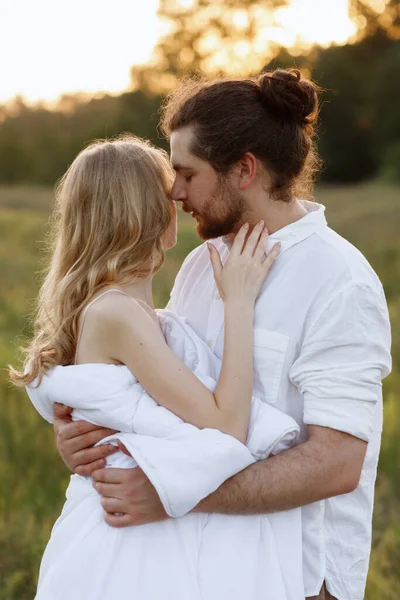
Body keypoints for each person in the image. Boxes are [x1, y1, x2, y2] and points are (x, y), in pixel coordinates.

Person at [54, 69, 392, 600]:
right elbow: (166, 399)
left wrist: (175, 492)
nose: (174, 191)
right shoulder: (198, 264)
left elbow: (336, 463)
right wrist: (92, 439)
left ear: (244, 169)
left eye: (187, 173)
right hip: (196, 567)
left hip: (299, 577)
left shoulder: (339, 281)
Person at [10, 134, 307, 599]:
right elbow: (227, 428)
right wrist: (239, 302)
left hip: (125, 530)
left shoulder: (139, 315)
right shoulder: (117, 314)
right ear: (159, 219)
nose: (182, 203)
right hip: (123, 548)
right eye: (172, 194)